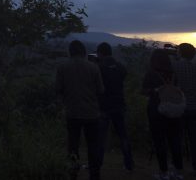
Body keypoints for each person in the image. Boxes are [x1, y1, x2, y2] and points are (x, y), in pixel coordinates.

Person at [56, 40, 104, 180]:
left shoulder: (62, 67)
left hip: (72, 112)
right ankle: (94, 175)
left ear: (70, 52)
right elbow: (101, 90)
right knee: (93, 146)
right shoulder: (93, 67)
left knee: (73, 145)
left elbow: (58, 90)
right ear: (83, 52)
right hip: (91, 113)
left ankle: (73, 173)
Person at [142, 48, 184, 180]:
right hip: (174, 110)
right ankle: (177, 171)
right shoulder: (173, 73)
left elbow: (144, 91)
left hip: (157, 110)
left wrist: (154, 90)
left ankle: (164, 172)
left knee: (160, 142)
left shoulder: (151, 74)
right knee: (175, 141)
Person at [95, 42, 134, 171]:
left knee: (100, 138)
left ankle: (97, 165)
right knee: (123, 136)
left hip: (104, 106)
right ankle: (129, 164)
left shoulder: (99, 67)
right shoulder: (120, 67)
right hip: (119, 104)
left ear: (100, 53)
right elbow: (124, 74)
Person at [173, 42, 196, 174]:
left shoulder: (174, 66)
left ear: (180, 52)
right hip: (194, 106)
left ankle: (178, 166)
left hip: (179, 107)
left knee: (177, 138)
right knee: (194, 140)